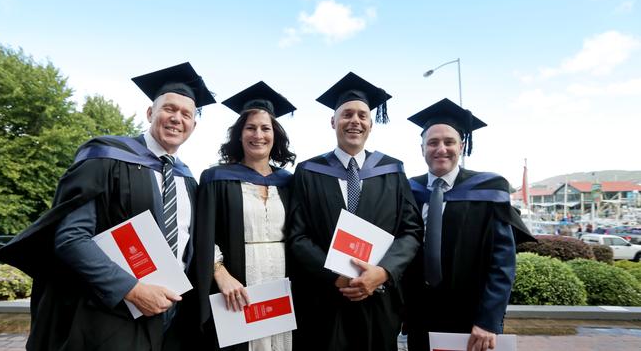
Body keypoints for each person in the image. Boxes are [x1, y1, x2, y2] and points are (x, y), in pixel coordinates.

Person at [0, 62, 215, 351]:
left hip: (170, 320)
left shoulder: (187, 180)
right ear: (151, 113)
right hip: (109, 314)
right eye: (169, 109)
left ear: (193, 126)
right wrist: (132, 290)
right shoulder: (107, 157)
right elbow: (70, 238)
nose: (176, 119)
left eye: (186, 114)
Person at [288, 72, 423, 351]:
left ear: (371, 124)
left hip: (379, 300)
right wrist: (335, 275)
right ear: (333, 121)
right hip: (325, 300)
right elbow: (297, 236)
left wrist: (384, 272)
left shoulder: (392, 170)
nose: (355, 121)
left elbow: (411, 232)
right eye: (347, 114)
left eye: (362, 115)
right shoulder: (308, 171)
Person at [402, 98, 535, 351]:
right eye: (433, 142)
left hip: (472, 319)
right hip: (420, 316)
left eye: (449, 142)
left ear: (461, 146)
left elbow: (502, 262)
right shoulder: (408, 189)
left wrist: (489, 320)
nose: (441, 148)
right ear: (422, 149)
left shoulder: (488, 190)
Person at [189, 81, 297, 351]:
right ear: (239, 134)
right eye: (250, 128)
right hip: (235, 283)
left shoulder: (290, 182)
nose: (257, 135)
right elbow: (202, 234)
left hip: (282, 283)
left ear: (276, 135)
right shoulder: (216, 178)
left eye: (265, 128)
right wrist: (220, 273)